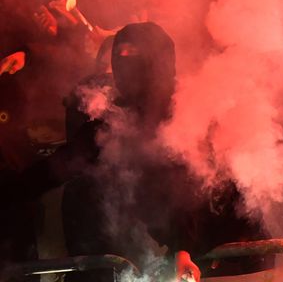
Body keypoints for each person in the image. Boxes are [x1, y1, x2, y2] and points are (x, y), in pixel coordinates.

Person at [4, 22, 260, 280]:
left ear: (157, 59)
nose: (124, 64)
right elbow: (61, 165)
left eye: (134, 54)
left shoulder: (190, 107)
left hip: (222, 250)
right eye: (120, 54)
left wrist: (186, 247)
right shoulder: (112, 120)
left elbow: (193, 184)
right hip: (165, 254)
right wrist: (10, 190)